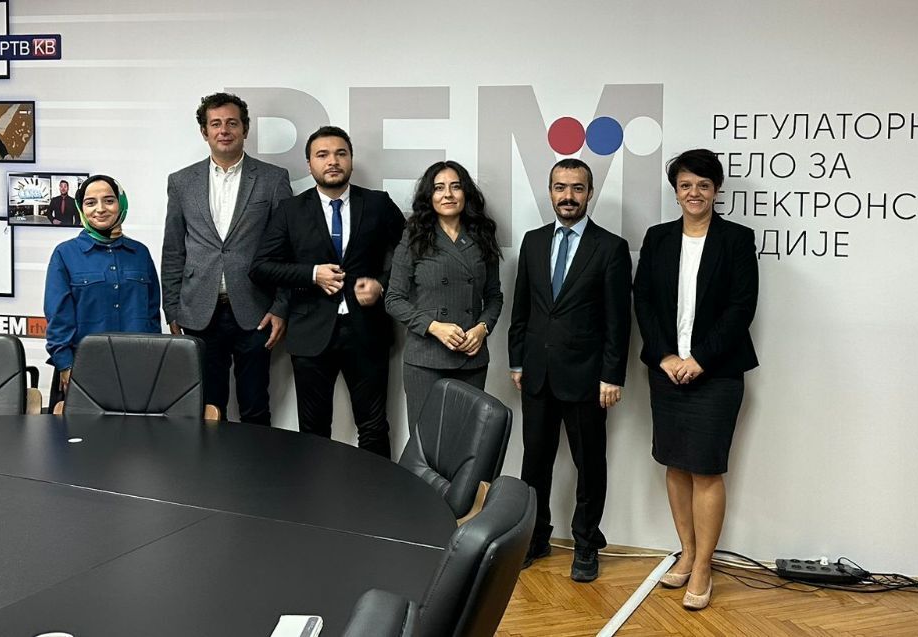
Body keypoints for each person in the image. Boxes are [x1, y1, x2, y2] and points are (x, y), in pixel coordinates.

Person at [633, 148, 759, 610]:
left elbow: (741, 307)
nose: (694, 193)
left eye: (703, 185)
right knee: (675, 463)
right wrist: (665, 355)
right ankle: (686, 552)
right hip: (667, 372)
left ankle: (703, 565)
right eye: (686, 185)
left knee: (705, 468)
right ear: (676, 191)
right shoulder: (658, 237)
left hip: (716, 374)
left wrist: (700, 359)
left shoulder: (737, 239)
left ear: (716, 190)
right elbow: (644, 300)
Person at [508, 158, 632, 582]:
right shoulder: (533, 241)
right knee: (534, 465)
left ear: (589, 193)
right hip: (537, 374)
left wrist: (612, 375)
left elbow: (619, 321)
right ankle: (535, 538)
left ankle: (585, 544)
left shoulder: (610, 247)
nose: (568, 196)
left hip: (587, 378)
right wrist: (517, 359)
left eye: (577, 188)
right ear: (550, 191)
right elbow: (522, 307)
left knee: (589, 465)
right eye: (560, 187)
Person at [250, 126, 405, 457]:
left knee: (374, 427)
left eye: (340, 153)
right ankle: (316, 492)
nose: (332, 161)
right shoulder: (291, 210)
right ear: (309, 164)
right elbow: (261, 266)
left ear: (351, 160)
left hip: (367, 330)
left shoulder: (377, 204)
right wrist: (311, 274)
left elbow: (412, 254)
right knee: (313, 430)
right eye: (322, 155)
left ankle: (378, 492)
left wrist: (381, 284)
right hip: (310, 332)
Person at [161, 92, 292, 425]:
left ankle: (255, 461)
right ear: (204, 132)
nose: (224, 130)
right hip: (198, 313)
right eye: (215, 124)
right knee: (207, 409)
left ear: (245, 129)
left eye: (232, 123)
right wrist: (172, 308)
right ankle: (208, 462)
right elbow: (174, 249)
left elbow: (287, 250)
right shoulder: (181, 182)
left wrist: (281, 306)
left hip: (256, 311)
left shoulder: (273, 179)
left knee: (255, 407)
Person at [385, 160, 502, 426]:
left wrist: (482, 328)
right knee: (426, 443)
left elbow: (494, 296)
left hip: (471, 358)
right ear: (429, 196)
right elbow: (393, 299)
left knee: (467, 441)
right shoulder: (414, 236)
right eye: (439, 188)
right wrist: (434, 327)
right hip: (425, 360)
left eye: (455, 187)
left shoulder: (482, 235)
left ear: (466, 193)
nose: (448, 194)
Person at [43, 175, 161, 407]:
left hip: (137, 369)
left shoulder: (140, 253)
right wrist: (65, 365)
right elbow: (58, 317)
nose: (100, 209)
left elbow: (152, 313)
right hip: (83, 369)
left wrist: (154, 358)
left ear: (121, 204)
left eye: (109, 200)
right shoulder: (65, 254)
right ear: (81, 208)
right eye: (90, 203)